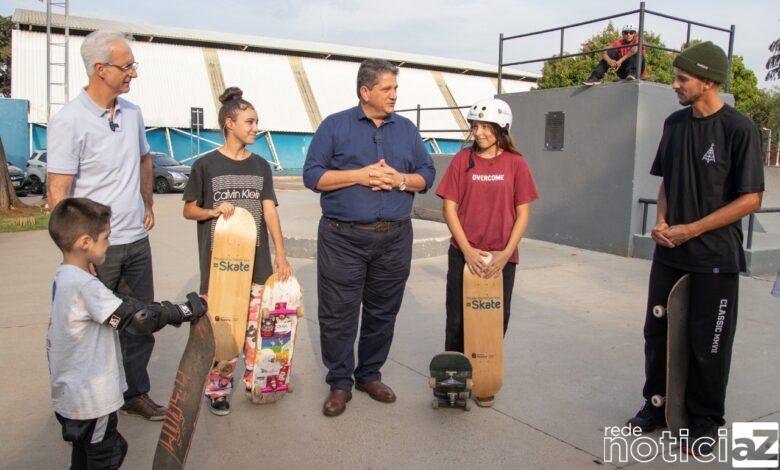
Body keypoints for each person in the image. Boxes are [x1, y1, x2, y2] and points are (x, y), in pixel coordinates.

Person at [626, 41, 764, 456]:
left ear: (708, 81)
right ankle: (656, 406)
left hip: (715, 259)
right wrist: (663, 223)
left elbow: (751, 198)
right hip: (671, 252)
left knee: (710, 341)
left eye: (682, 78)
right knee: (658, 333)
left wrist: (693, 230)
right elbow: (667, 179)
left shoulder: (740, 129)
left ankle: (705, 421)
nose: (675, 84)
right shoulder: (674, 124)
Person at [303, 58, 435, 417]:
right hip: (342, 238)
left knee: (383, 311)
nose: (394, 95)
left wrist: (400, 180)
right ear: (365, 91)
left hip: (394, 239)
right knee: (337, 314)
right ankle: (340, 382)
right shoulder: (334, 126)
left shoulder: (406, 130)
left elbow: (427, 174)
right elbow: (312, 176)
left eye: (395, 88)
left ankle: (369, 374)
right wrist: (359, 175)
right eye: (387, 89)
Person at [46, 30, 164, 420]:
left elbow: (145, 160)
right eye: (126, 65)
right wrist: (77, 255)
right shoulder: (69, 120)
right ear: (100, 69)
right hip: (96, 248)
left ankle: (134, 393)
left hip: (135, 240)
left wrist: (146, 200)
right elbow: (59, 192)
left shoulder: (132, 114)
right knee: (88, 332)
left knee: (139, 322)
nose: (134, 72)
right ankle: (82, 405)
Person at [47, 197, 206, 469]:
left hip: (69, 397)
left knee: (83, 456)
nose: (109, 243)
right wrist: (184, 310)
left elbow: (116, 304)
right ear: (85, 242)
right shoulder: (87, 287)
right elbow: (139, 320)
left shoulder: (64, 277)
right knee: (106, 457)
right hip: (93, 402)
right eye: (105, 238)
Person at [183, 86, 291, 416]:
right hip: (222, 266)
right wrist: (213, 212)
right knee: (223, 330)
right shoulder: (206, 165)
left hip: (257, 263)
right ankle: (217, 388)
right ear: (230, 123)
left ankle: (257, 380)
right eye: (250, 122)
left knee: (259, 329)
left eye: (257, 122)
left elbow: (269, 210)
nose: (255, 128)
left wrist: (280, 253)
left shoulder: (260, 166)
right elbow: (189, 210)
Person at [435, 98, 538, 406]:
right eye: (475, 126)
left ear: (501, 128)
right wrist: (466, 250)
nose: (478, 132)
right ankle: (451, 384)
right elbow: (449, 208)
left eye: (485, 127)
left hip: (501, 257)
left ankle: (484, 379)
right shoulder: (462, 160)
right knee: (456, 319)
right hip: (464, 254)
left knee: (494, 321)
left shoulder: (516, 163)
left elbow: (523, 213)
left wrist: (506, 253)